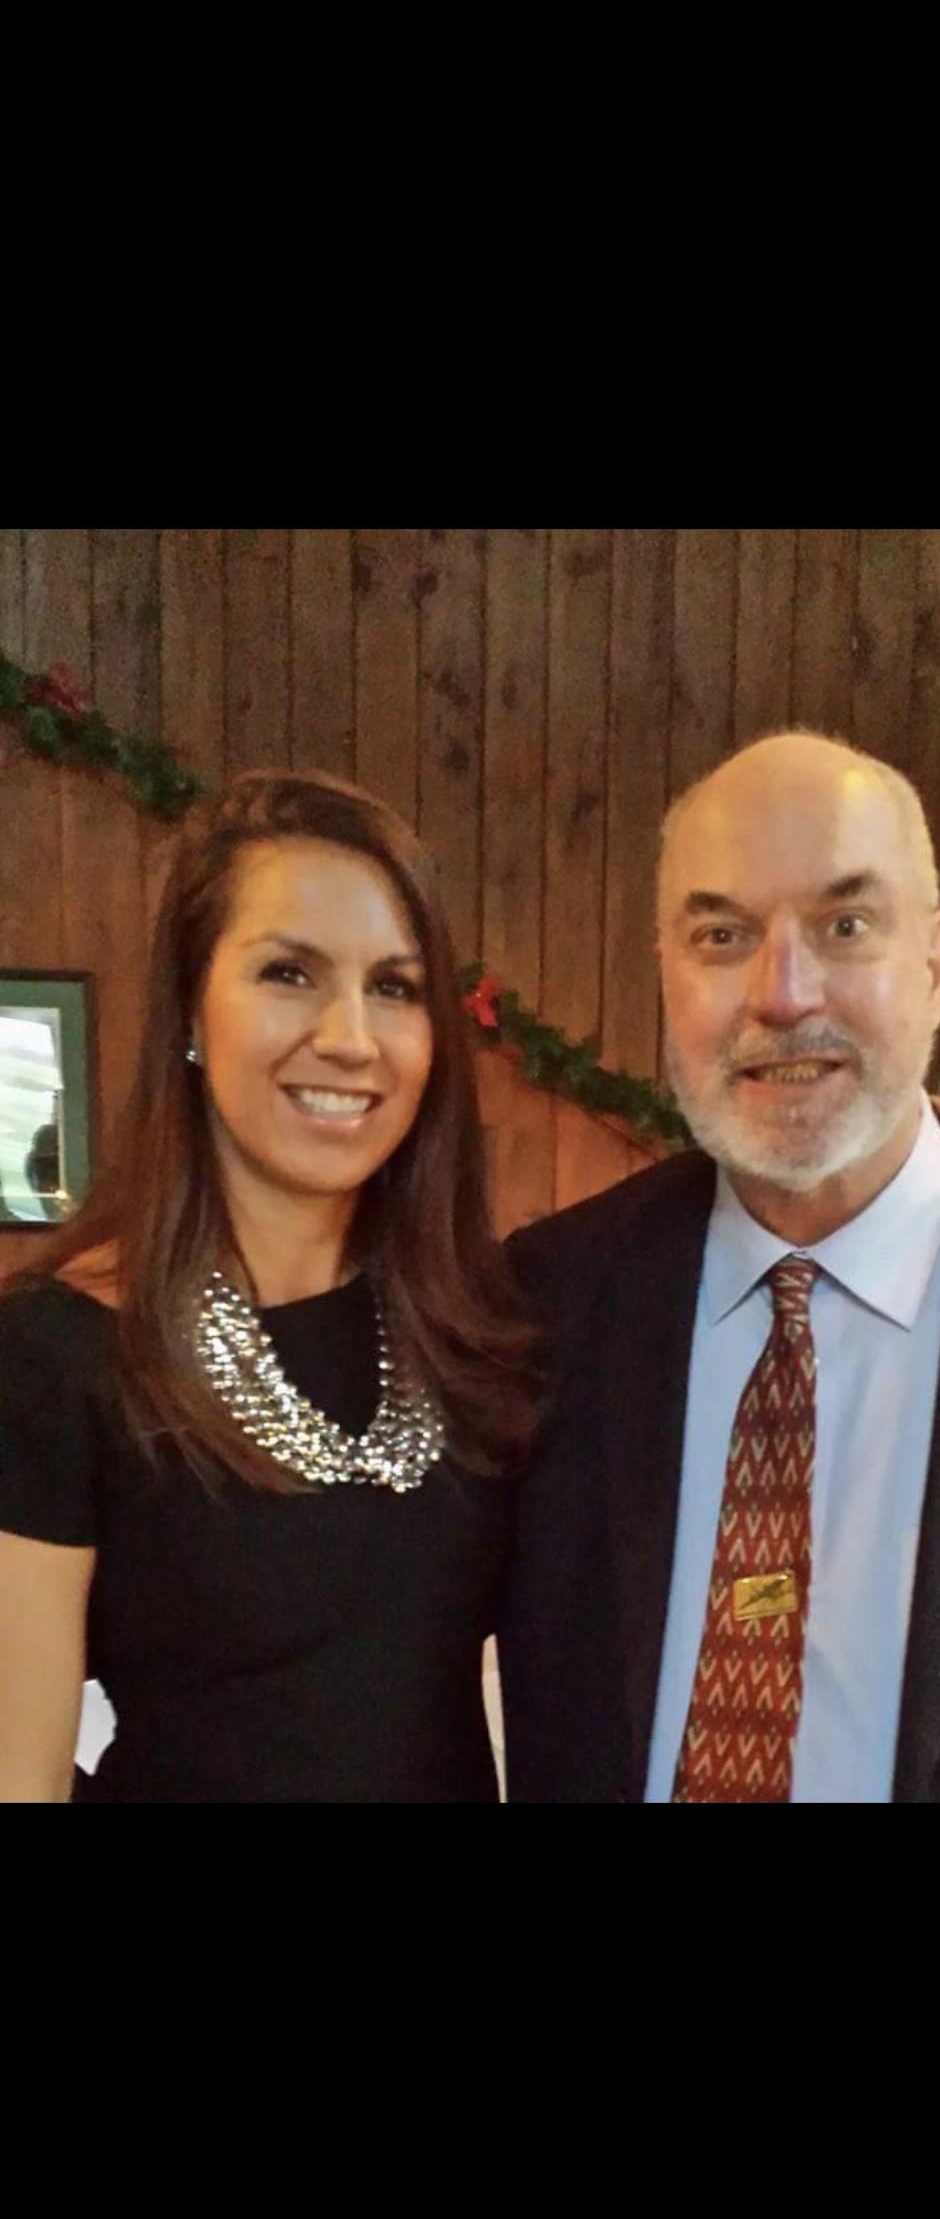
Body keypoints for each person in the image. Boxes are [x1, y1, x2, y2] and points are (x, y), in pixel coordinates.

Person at [498, 730, 940, 1804]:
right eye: (721, 933)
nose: (782, 992)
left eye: (845, 923)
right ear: (667, 972)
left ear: (936, 958)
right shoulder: (541, 1303)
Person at [0, 770, 538, 1803]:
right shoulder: (55, 1354)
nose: (349, 1036)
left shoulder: (467, 1321)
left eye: (395, 986)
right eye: (290, 973)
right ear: (192, 1012)